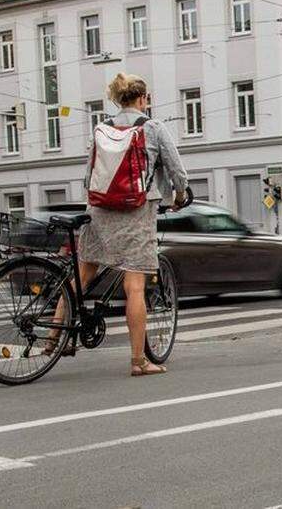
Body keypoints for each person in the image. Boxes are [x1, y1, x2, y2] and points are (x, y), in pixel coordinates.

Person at [76, 73, 188, 377]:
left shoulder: (101, 128)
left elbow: (88, 175)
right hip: (136, 210)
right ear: (143, 99)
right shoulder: (152, 127)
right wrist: (180, 194)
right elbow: (177, 170)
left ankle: (52, 339)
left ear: (118, 99)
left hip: (98, 209)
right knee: (134, 285)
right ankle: (139, 361)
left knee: (83, 272)